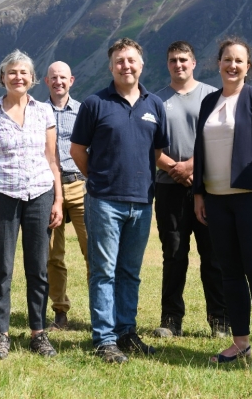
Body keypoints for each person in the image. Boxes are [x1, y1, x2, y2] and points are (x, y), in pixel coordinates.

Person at [192, 36, 252, 374]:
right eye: (227, 60)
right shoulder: (208, 102)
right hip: (217, 202)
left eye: (239, 61)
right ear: (218, 63)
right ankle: (239, 342)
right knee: (230, 275)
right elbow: (200, 150)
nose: (232, 66)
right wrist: (199, 194)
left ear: (249, 67)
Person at [70, 37, 169, 364]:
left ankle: (127, 332)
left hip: (141, 203)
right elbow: (77, 151)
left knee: (130, 271)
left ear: (141, 64)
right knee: (104, 271)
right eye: (119, 61)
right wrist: (97, 180)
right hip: (104, 202)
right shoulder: (94, 104)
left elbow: (156, 152)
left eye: (131, 60)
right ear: (111, 66)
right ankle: (104, 338)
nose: (126, 66)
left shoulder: (154, 105)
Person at [0, 50, 63, 360]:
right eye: (12, 72)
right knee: (2, 267)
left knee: (38, 267)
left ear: (33, 78)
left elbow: (52, 159)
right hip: (1, 194)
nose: (18, 77)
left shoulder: (44, 113)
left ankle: (38, 333)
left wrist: (59, 200)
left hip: (40, 193)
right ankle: (1, 333)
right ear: (2, 78)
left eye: (23, 72)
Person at [153, 41, 227, 338]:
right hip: (168, 188)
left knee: (213, 255)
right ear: (167, 64)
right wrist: (175, 168)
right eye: (173, 60)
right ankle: (171, 320)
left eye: (183, 59)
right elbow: (151, 146)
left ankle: (220, 320)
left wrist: (192, 167)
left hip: (208, 188)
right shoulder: (156, 100)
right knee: (173, 254)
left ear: (194, 62)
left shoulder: (212, 95)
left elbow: (220, 140)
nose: (178, 64)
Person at [44, 61, 89, 331]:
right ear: (46, 82)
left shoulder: (85, 111)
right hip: (49, 189)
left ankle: (101, 311)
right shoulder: (36, 112)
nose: (58, 81)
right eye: (53, 78)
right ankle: (60, 311)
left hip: (81, 185)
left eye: (63, 77)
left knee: (93, 252)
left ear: (71, 80)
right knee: (52, 255)